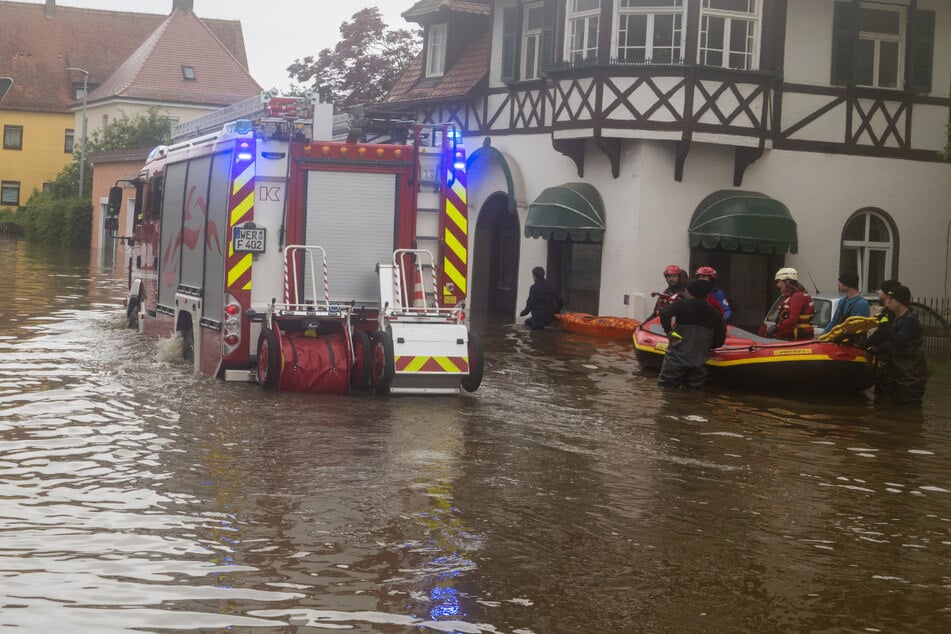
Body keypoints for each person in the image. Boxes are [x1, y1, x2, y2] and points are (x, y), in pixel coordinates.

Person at [657, 279, 727, 389]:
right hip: (698, 362)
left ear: (690, 293)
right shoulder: (716, 314)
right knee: (693, 395)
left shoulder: (682, 305)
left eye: (686, 291)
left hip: (676, 360)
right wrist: (708, 346)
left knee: (667, 391)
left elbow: (664, 314)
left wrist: (670, 334)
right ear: (706, 295)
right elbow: (720, 339)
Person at [867, 284, 928, 407]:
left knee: (908, 415)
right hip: (898, 378)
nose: (888, 301)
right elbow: (891, 343)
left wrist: (885, 324)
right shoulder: (898, 319)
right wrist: (877, 349)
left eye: (891, 299)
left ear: (899, 301)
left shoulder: (910, 321)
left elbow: (899, 341)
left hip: (909, 381)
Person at [766, 267, 815, 340]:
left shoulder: (797, 297)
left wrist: (776, 328)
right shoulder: (791, 297)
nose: (777, 285)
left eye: (779, 281)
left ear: (787, 282)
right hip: (790, 338)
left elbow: (792, 320)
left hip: (795, 339)